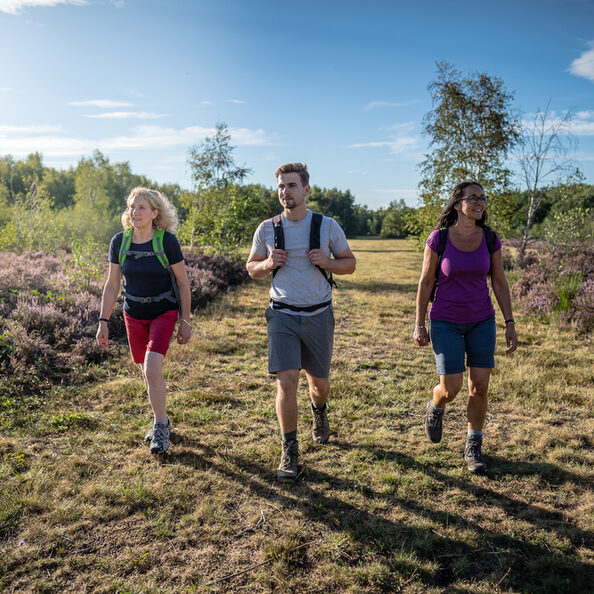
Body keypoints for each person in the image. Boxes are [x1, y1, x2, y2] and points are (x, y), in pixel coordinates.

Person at [246, 163, 356, 482]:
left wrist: (329, 262)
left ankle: (319, 410)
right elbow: (251, 267)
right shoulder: (267, 228)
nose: (285, 191)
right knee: (287, 381)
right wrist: (267, 263)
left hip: (319, 314)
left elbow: (350, 263)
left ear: (306, 190)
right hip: (281, 313)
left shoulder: (326, 226)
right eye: (281, 186)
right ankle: (290, 451)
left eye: (291, 186)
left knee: (318, 384)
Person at [413, 181, 518, 473]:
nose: (479, 202)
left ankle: (474, 445)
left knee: (480, 387)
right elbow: (425, 283)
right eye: (473, 197)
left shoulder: (490, 239)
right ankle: (436, 406)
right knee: (451, 387)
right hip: (445, 320)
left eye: (482, 197)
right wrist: (419, 324)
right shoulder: (439, 239)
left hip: (482, 320)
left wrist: (510, 322)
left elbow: (498, 281)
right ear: (458, 202)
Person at [96, 187, 192, 454]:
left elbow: (183, 284)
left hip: (164, 311)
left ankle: (161, 426)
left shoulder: (167, 241)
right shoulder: (120, 241)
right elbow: (112, 284)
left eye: (141, 208)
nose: (135, 212)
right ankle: (160, 417)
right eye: (131, 207)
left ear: (154, 213)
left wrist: (185, 321)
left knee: (151, 368)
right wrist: (103, 320)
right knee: (145, 369)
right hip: (133, 314)